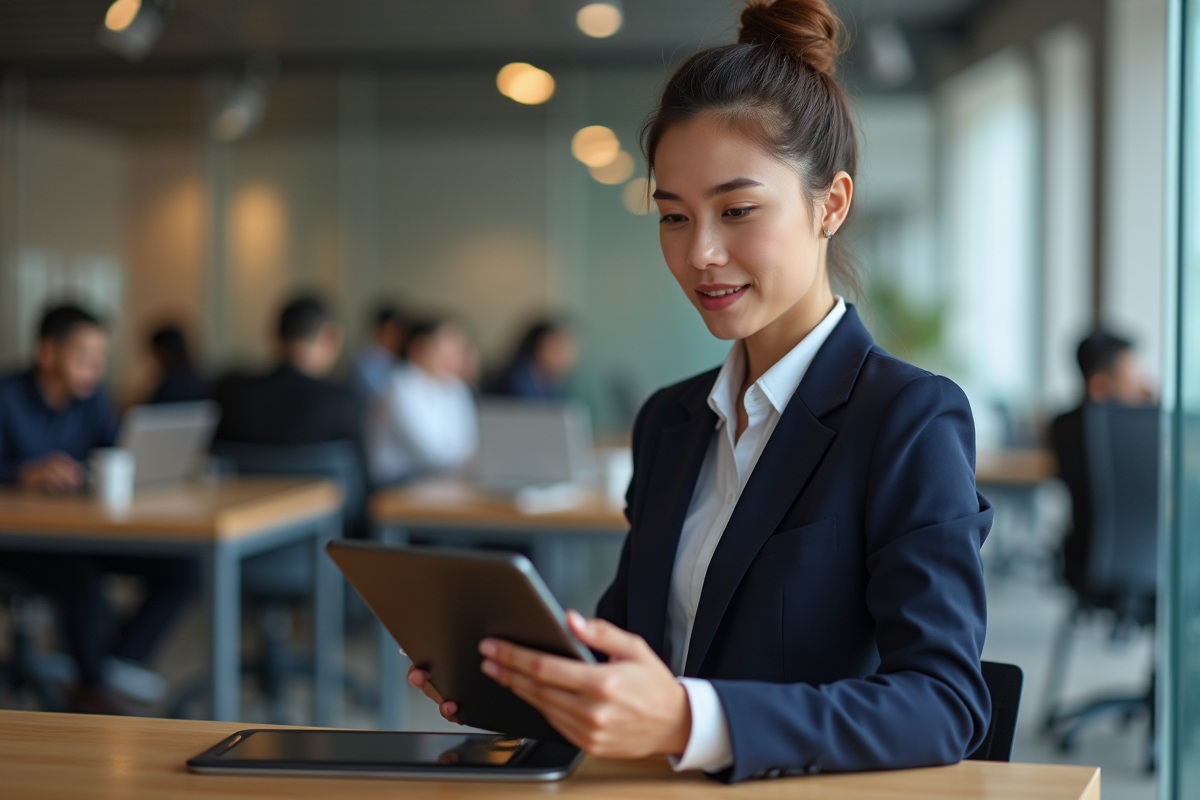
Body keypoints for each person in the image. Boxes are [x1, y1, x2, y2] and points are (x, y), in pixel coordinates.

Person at [409, 0, 993, 783]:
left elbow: (944, 701)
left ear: (833, 204)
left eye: (737, 210)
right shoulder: (670, 422)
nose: (701, 254)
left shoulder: (906, 418)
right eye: (674, 217)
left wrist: (694, 720)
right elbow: (637, 645)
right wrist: (526, 679)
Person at [0, 304, 198, 714]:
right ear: (48, 353)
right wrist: (24, 473)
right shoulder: (7, 396)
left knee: (184, 568)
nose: (94, 368)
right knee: (83, 579)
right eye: (83, 357)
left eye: (100, 359)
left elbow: (116, 452)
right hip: (20, 541)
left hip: (82, 531)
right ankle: (91, 691)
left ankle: (109, 664)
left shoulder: (90, 400)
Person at [1050, 329, 1156, 594]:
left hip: (1083, 561)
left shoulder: (1061, 427)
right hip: (1158, 566)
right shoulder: (1150, 434)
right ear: (1100, 386)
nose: (1142, 389)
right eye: (1133, 382)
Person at [366, 318, 477, 486]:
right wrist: (467, 458)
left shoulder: (455, 387)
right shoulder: (399, 388)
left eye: (458, 350)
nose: (454, 357)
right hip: (398, 484)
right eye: (446, 349)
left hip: (440, 477)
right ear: (419, 348)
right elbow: (430, 453)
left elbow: (469, 442)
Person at [489, 319, 579, 401]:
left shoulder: (552, 383)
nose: (563, 356)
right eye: (556, 348)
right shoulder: (516, 381)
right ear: (538, 346)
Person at [352, 304, 409, 404]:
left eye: (399, 332)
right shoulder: (364, 361)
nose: (396, 337)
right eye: (391, 331)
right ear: (379, 329)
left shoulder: (396, 359)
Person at [147, 324, 210, 404]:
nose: (154, 359)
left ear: (164, 353)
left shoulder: (166, 390)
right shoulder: (203, 383)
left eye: (156, 354)